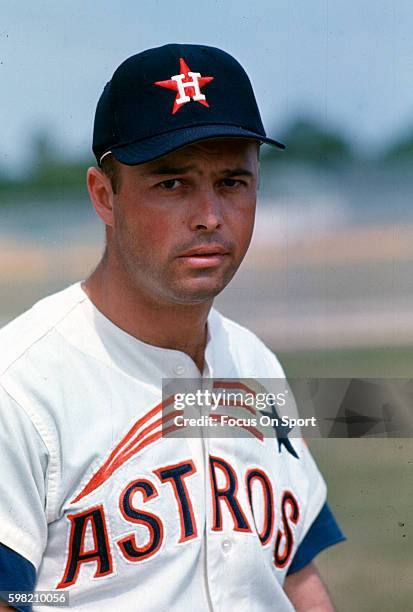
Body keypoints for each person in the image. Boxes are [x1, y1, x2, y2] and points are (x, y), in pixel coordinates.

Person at [0, 43, 345, 611]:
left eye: (232, 182)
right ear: (104, 196)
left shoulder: (254, 363)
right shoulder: (23, 387)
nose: (209, 214)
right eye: (171, 184)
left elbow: (295, 574)